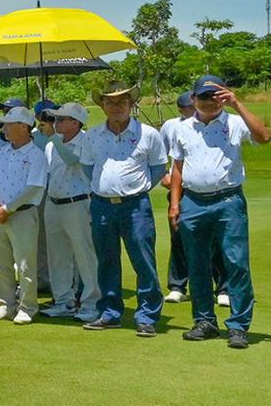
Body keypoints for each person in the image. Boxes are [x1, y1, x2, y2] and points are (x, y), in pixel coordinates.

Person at [168, 75, 269, 349]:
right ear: (193, 99)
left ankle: (238, 326)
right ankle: (205, 321)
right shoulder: (182, 128)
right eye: (203, 96)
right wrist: (175, 204)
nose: (209, 102)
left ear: (224, 97)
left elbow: (264, 137)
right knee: (197, 264)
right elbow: (177, 167)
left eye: (215, 96)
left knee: (236, 263)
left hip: (228, 201)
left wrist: (237, 104)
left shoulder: (235, 122)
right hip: (193, 202)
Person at [61, 81, 168, 336]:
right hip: (102, 205)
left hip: (136, 205)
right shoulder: (93, 135)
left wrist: (136, 188)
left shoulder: (148, 134)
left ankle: (147, 316)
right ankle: (110, 312)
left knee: (143, 261)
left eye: (122, 100)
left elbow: (158, 168)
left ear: (131, 103)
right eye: (110, 101)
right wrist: (105, 188)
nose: (116, 106)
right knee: (106, 261)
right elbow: (88, 168)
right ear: (102, 105)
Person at [0, 106, 49, 324]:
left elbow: (33, 187)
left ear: (23, 126)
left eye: (8, 124)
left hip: (22, 214)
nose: (4, 128)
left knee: (25, 264)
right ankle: (5, 304)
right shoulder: (0, 152)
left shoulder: (36, 155)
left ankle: (27, 307)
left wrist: (7, 208)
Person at [42, 102, 100, 321]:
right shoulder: (52, 144)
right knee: (57, 256)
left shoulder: (86, 141)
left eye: (61, 119)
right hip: (53, 202)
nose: (56, 122)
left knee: (85, 256)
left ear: (76, 122)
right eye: (55, 119)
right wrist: (53, 139)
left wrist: (53, 138)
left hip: (78, 202)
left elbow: (71, 160)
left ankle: (91, 303)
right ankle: (63, 301)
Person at [159, 92, 198, 303]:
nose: (192, 111)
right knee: (178, 238)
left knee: (213, 241)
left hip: (201, 189)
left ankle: (223, 288)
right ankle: (177, 286)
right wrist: (164, 175)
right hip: (178, 190)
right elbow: (159, 154)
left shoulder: (207, 124)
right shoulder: (171, 126)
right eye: (188, 108)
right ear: (181, 110)